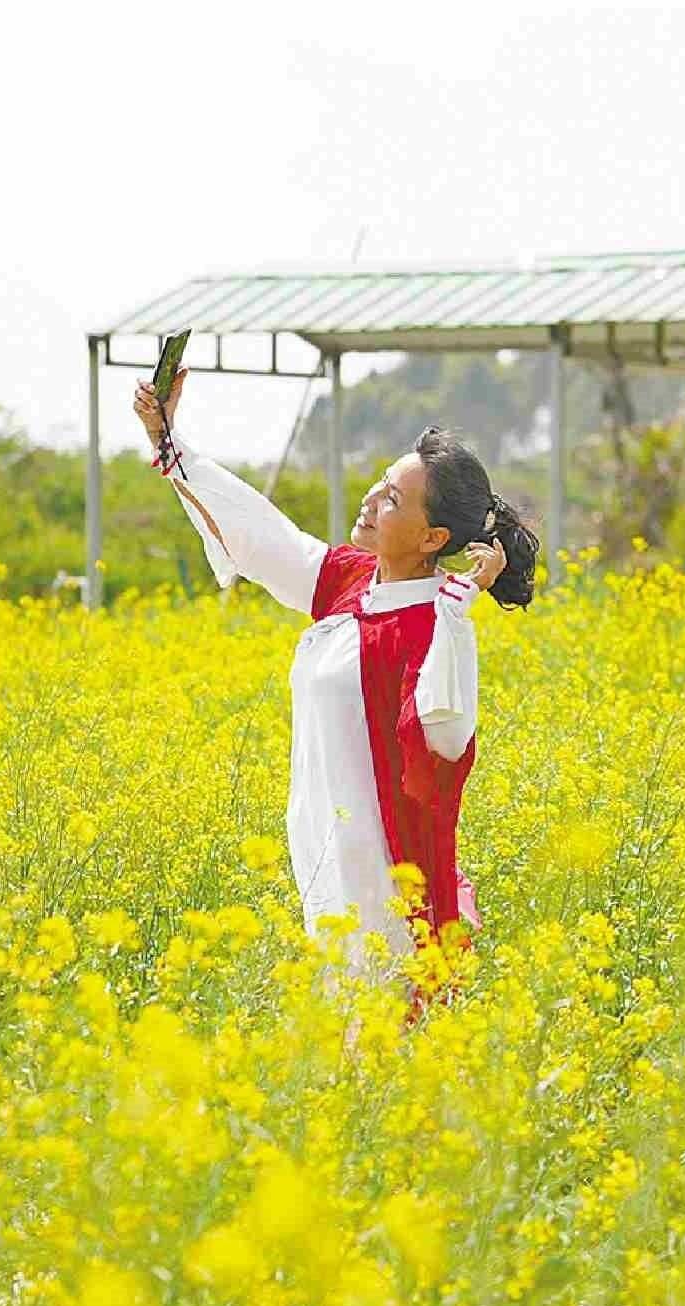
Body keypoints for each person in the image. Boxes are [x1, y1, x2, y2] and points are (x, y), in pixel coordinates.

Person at [134, 366, 539, 1036]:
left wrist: (458, 607)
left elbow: (442, 747)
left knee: (389, 1067)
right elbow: (260, 534)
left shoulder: (434, 625)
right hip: (326, 879)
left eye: (394, 500)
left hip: (388, 895)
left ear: (433, 539)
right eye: (380, 485)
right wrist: (169, 441)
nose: (372, 501)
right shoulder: (350, 582)